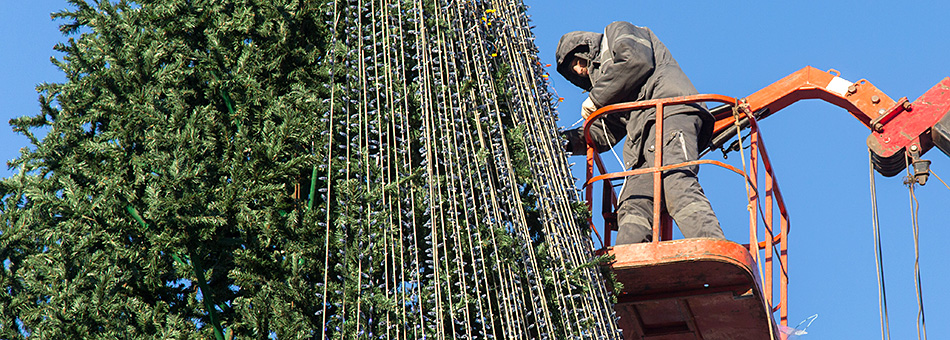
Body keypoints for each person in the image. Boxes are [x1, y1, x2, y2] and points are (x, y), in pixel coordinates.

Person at [556, 21, 724, 244]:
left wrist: (597, 98)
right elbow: (606, 130)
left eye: (577, 61)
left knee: (674, 179)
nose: (578, 70)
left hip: (669, 112)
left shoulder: (615, 33)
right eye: (572, 71)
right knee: (633, 201)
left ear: (584, 49)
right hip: (643, 139)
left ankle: (711, 245)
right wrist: (564, 141)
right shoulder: (612, 89)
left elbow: (636, 60)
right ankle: (624, 271)